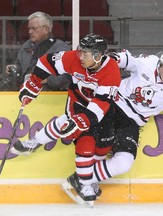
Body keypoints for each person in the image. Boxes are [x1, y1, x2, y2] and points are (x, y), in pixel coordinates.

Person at [60, 49, 163, 206]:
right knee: (98, 146)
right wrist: (112, 59)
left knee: (124, 162)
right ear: (159, 64)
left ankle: (80, 179)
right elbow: (127, 60)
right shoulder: (148, 62)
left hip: (131, 121)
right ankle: (85, 182)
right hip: (112, 105)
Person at [10, 33, 121, 207]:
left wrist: (82, 120)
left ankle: (85, 177)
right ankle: (84, 183)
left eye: (86, 54)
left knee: (102, 148)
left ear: (98, 56)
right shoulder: (73, 58)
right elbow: (45, 62)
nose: (80, 57)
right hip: (77, 100)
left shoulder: (111, 70)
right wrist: (34, 82)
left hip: (103, 110)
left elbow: (102, 103)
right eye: (80, 51)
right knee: (85, 137)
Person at [5, 11, 71, 91]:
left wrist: (47, 80)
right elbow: (20, 65)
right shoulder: (27, 45)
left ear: (46, 29)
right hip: (24, 93)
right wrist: (15, 68)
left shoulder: (61, 48)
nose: (30, 32)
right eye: (29, 28)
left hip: (50, 96)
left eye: (34, 28)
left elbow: (67, 76)